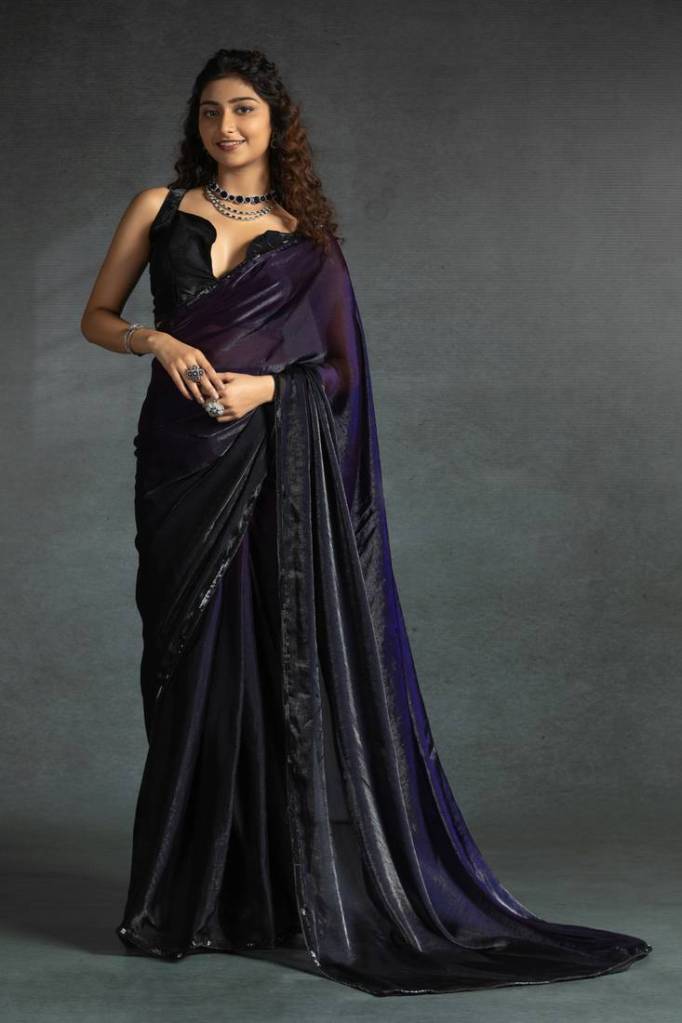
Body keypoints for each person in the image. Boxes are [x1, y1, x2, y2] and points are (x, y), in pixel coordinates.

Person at [79, 48, 652, 998]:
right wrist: (158, 338)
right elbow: (98, 316)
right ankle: (190, 898)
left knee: (270, 662)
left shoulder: (306, 240)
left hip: (269, 463)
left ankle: (274, 897)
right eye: (211, 111)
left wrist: (270, 391)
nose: (226, 127)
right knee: (186, 672)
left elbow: (343, 373)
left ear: (276, 121)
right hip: (180, 465)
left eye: (245, 109)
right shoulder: (158, 207)